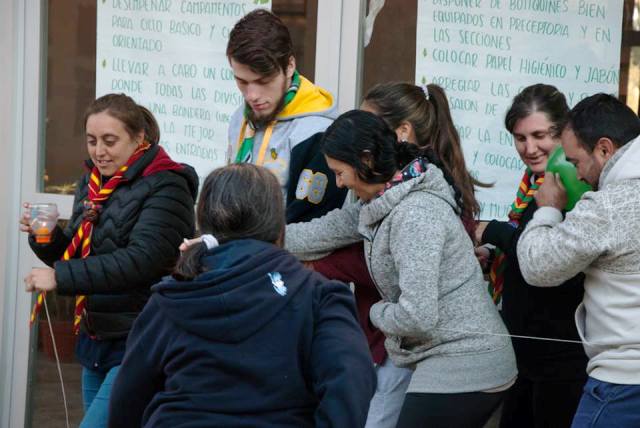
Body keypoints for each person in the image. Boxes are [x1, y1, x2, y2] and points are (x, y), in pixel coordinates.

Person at [286, 110, 517, 428]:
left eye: (340, 173)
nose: (339, 183)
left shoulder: (415, 213)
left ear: (366, 160)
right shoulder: (382, 200)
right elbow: (322, 231)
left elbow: (417, 316)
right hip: (447, 358)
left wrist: (374, 313)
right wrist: (262, 237)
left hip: (467, 362)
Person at [108, 163, 376, 427]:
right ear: (279, 225)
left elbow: (128, 397)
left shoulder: (171, 297)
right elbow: (351, 380)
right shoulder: (318, 295)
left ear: (203, 223)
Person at [21, 93, 197, 428]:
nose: (99, 151)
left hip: (140, 339)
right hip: (97, 336)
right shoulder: (92, 182)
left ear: (139, 138)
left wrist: (60, 277)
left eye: (109, 141)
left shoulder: (167, 186)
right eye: (92, 141)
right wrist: (45, 236)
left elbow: (143, 259)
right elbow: (76, 253)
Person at [516, 93, 640, 428]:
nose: (578, 174)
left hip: (623, 381)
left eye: (575, 162)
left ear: (604, 149)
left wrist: (547, 210)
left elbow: (537, 266)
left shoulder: (608, 205)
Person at [475, 84, 588, 428]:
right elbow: (527, 242)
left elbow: (549, 256)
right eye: (520, 138)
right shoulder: (534, 183)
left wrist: (493, 231)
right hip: (525, 357)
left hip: (560, 360)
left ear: (564, 132)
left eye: (540, 136)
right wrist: (491, 253)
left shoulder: (575, 184)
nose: (529, 148)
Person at [227, 9, 346, 223]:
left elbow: (312, 224)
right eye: (242, 82)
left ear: (290, 66)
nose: (252, 95)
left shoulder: (317, 133)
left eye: (263, 81)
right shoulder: (241, 117)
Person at [363, 82, 488, 239]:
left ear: (403, 131)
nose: (360, 138)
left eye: (367, 130)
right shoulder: (402, 181)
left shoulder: (421, 203)